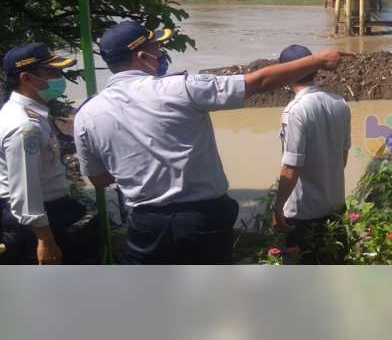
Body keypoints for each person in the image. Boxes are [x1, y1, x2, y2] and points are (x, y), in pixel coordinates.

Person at [73, 21, 340, 265]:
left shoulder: (86, 114)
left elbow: (98, 179)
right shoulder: (181, 88)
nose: (161, 54)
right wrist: (317, 59)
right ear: (142, 57)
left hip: (145, 225)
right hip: (202, 221)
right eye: (157, 48)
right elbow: (258, 82)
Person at [0, 43, 89, 264]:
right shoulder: (24, 126)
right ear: (27, 79)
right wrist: (45, 240)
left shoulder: (34, 114)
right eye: (52, 72)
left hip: (46, 215)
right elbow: (25, 190)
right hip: (35, 224)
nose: (59, 78)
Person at [271, 44, 351, 265]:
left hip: (302, 214)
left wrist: (278, 208)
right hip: (335, 206)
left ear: (286, 72)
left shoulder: (296, 110)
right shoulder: (340, 103)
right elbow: (342, 157)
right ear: (314, 69)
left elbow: (291, 166)